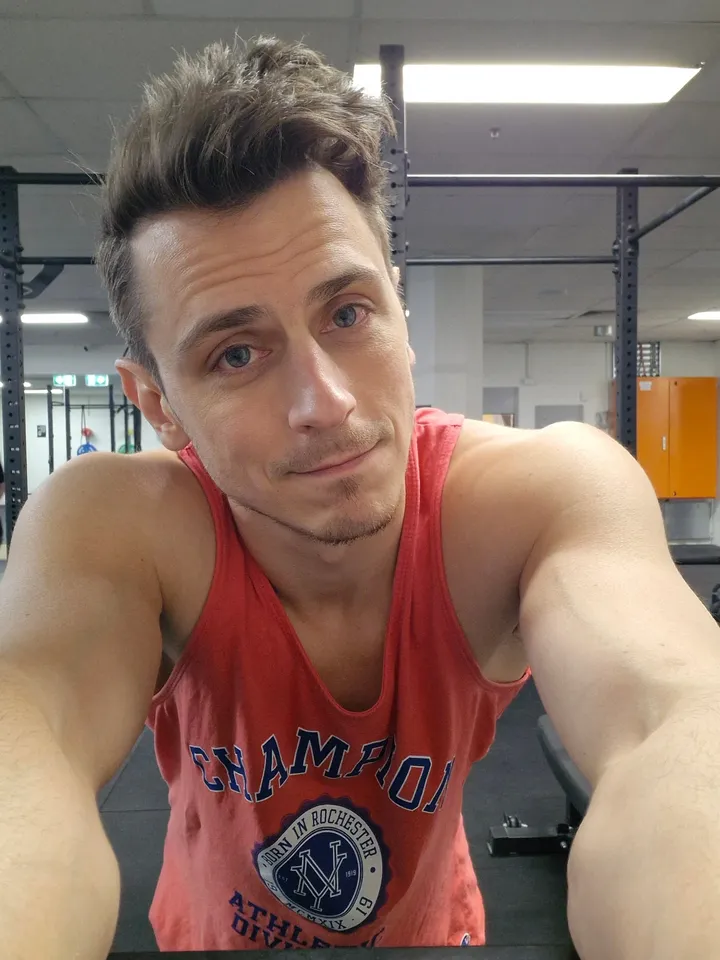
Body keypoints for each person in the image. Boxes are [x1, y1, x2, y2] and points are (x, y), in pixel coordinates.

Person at [0, 37, 719, 960]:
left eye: (347, 314)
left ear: (398, 315)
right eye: (236, 354)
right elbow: (26, 739)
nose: (326, 403)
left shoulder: (535, 496)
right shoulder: (123, 525)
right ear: (159, 406)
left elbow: (676, 727)